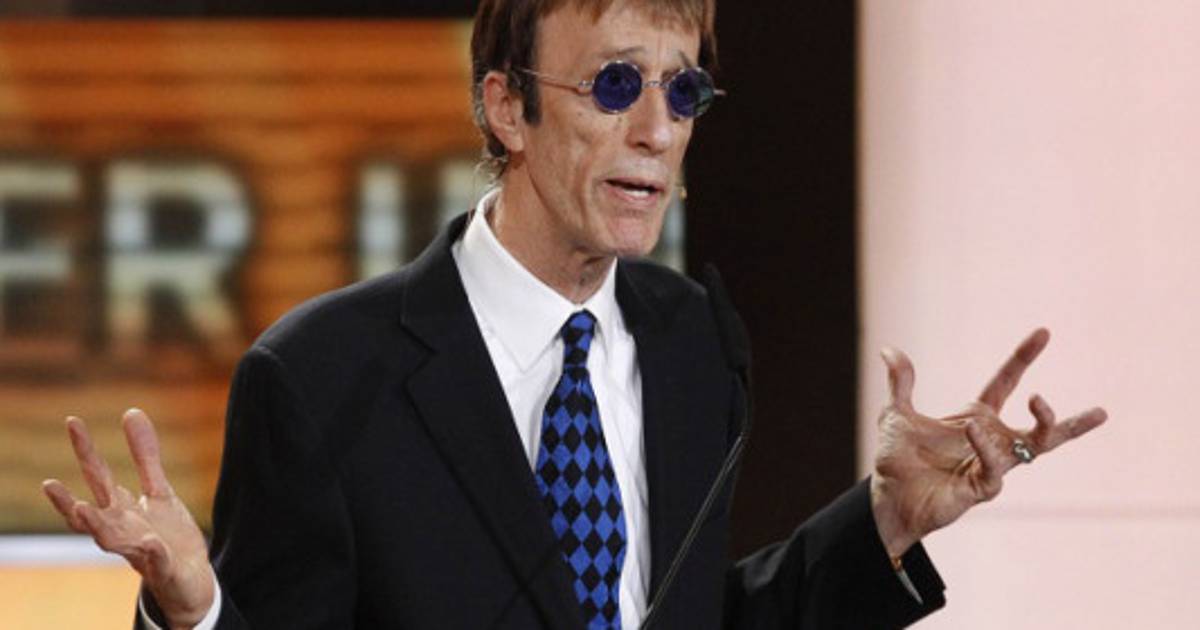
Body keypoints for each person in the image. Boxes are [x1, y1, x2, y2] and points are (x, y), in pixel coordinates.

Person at [41, 0, 1108, 628]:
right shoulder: (321, 377)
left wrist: (885, 521)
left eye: (683, 92)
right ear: (507, 106)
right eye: (613, 85)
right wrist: (193, 611)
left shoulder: (694, 339)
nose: (657, 130)